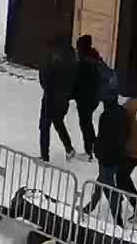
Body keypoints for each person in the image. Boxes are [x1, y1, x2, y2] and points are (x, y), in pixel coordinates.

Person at [81, 92, 130, 223]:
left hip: (106, 158)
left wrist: (97, 149)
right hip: (117, 156)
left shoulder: (106, 116)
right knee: (101, 181)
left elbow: (103, 137)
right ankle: (91, 206)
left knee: (109, 188)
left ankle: (117, 219)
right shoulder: (122, 113)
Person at [37, 35, 77, 163]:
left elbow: (45, 78)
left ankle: (44, 157)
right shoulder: (71, 58)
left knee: (44, 126)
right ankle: (69, 148)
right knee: (58, 121)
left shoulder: (52, 61)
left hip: (50, 97)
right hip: (63, 98)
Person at [71, 35, 111, 160]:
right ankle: (93, 148)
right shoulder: (95, 57)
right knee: (87, 123)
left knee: (85, 124)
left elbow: (79, 81)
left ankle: (90, 151)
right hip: (95, 96)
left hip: (86, 98)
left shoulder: (84, 61)